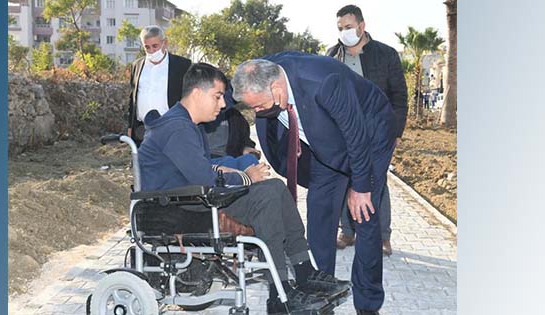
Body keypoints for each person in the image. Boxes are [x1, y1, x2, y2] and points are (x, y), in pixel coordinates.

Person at [138, 63, 350, 313]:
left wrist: (234, 169)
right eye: (217, 96)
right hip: (178, 209)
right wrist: (246, 177)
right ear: (197, 93)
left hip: (189, 199)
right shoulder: (177, 127)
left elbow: (202, 168)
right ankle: (279, 295)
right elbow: (205, 179)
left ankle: (304, 271)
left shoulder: (184, 124)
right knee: (268, 195)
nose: (223, 104)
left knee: (276, 188)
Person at [232, 52, 397, 315]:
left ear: (276, 88)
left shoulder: (323, 81)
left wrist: (360, 187)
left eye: (259, 106)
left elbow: (356, 135)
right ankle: (321, 296)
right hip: (325, 145)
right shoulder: (262, 75)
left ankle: (368, 304)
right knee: (320, 216)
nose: (256, 113)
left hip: (370, 136)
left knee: (364, 218)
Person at [326, 4, 408, 256]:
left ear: (362, 26)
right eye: (340, 28)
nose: (344, 32)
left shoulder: (386, 54)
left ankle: (382, 236)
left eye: (349, 27)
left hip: (377, 131)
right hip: (343, 132)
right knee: (345, 178)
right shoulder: (332, 55)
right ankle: (348, 231)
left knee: (376, 181)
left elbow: (399, 96)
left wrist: (395, 131)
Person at [126, 25, 191, 146]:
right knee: (142, 163)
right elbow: (133, 97)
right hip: (142, 130)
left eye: (155, 46)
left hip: (171, 127)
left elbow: (190, 97)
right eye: (147, 47)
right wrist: (130, 126)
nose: (151, 51)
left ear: (164, 43)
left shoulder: (182, 65)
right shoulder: (137, 65)